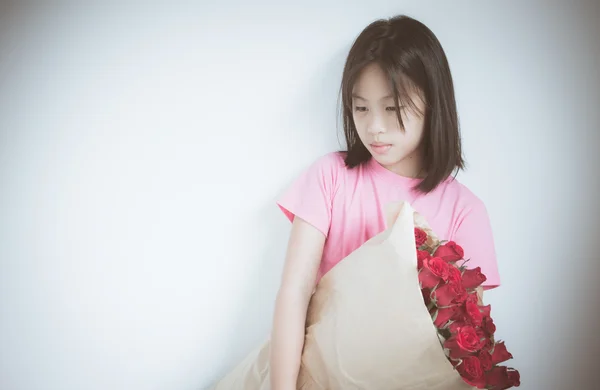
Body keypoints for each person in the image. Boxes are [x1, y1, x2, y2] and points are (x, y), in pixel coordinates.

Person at [269, 14, 500, 389]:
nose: (374, 126)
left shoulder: (465, 211)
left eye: (392, 109)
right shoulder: (331, 176)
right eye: (361, 108)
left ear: (433, 103)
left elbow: (465, 343)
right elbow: (294, 292)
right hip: (317, 376)